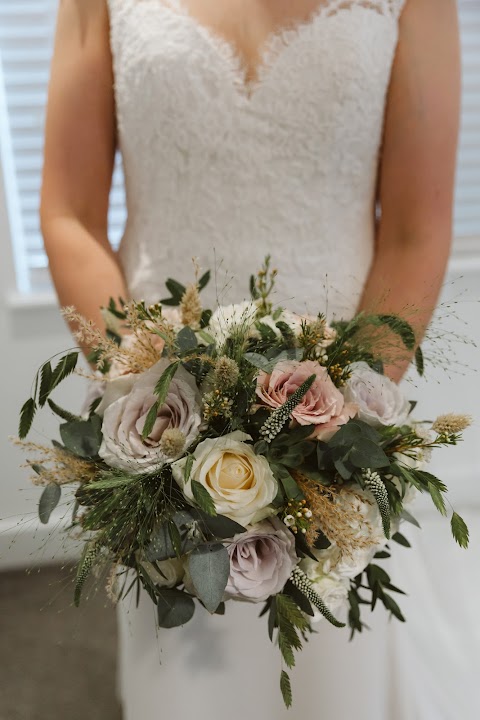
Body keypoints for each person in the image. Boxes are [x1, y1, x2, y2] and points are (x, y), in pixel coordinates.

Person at [40, 0, 461, 718]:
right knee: (188, 661)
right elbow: (70, 212)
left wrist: (340, 413)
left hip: (336, 409)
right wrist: (144, 386)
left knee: (337, 667)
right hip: (160, 407)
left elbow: (416, 229)